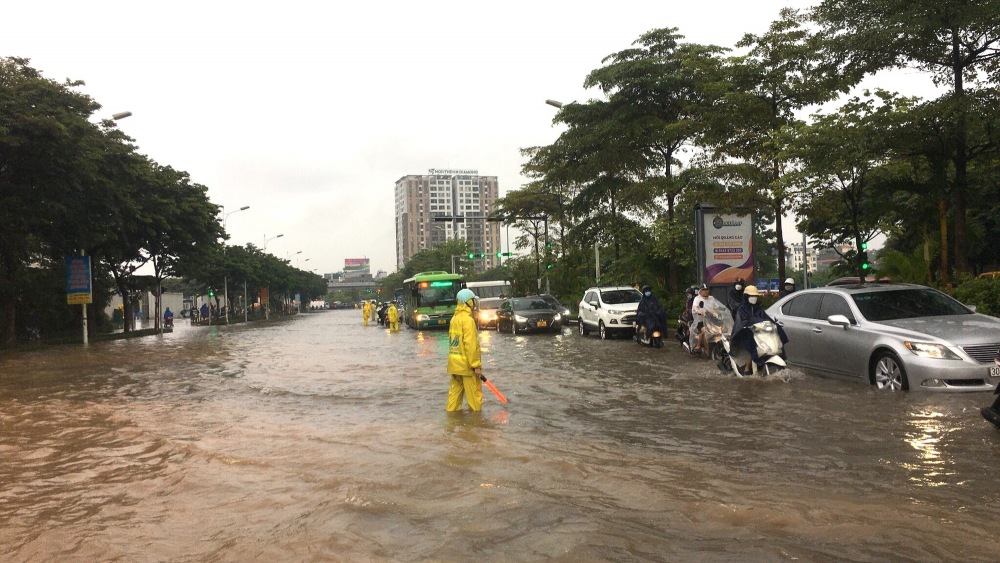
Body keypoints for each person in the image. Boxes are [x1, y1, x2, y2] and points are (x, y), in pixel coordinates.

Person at [731, 285, 788, 374]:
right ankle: (747, 368)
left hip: (759, 333)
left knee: (775, 338)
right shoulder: (742, 309)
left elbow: (767, 319)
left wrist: (775, 325)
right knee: (752, 344)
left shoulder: (759, 309)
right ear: (746, 297)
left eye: (755, 296)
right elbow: (741, 322)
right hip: (744, 333)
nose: (753, 298)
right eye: (751, 296)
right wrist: (748, 323)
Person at [447, 288, 484, 412]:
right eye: (473, 301)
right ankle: (476, 425)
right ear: (468, 302)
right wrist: (476, 366)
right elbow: (471, 345)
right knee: (474, 400)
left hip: (454, 366)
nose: (474, 304)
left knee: (454, 398)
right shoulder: (468, 321)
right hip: (467, 367)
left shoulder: (454, 319)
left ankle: (452, 422)